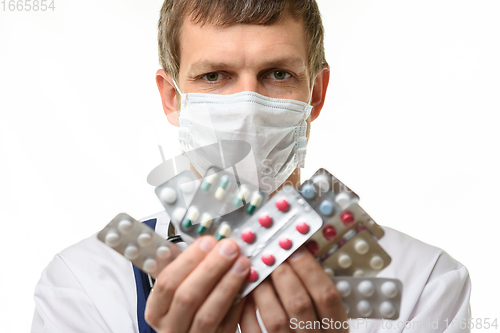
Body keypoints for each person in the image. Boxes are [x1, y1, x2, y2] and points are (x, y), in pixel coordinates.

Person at [31, 1, 471, 332]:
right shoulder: (85, 281)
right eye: (214, 76)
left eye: (277, 74)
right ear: (171, 98)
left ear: (315, 94)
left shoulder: (423, 281)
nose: (247, 108)